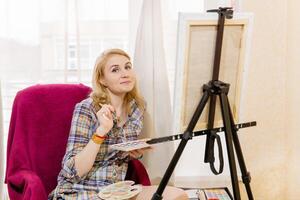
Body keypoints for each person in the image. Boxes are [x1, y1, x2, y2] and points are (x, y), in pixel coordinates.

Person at [49, 48, 149, 199]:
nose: (125, 73)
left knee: (175, 194)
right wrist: (101, 131)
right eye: (115, 70)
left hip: (116, 192)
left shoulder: (137, 108)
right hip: (79, 190)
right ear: (102, 79)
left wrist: (134, 153)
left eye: (128, 67)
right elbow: (72, 172)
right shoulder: (86, 108)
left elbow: (117, 157)